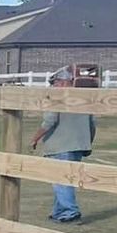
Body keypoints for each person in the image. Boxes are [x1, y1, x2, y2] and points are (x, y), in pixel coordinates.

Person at [30, 68, 95, 223]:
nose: (53, 87)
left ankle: (70, 211)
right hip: (78, 144)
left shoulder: (56, 98)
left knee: (61, 180)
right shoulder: (84, 98)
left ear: (61, 82)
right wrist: (87, 142)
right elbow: (92, 123)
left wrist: (35, 139)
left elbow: (49, 121)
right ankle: (58, 211)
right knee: (66, 179)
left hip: (59, 145)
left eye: (54, 83)